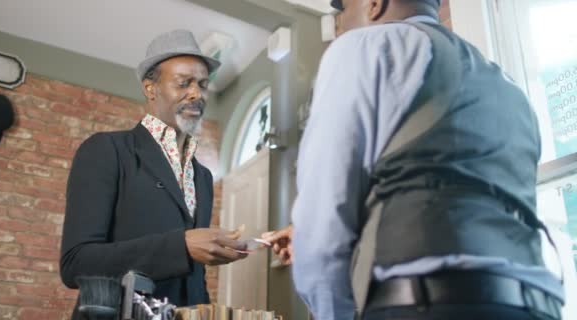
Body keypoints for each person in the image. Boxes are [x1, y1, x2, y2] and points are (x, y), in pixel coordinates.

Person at [264, 0, 565, 319]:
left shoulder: (363, 46)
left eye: (342, 11)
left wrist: (331, 313)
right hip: (535, 303)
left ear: (374, 4)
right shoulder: (512, 92)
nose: (338, 25)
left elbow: (324, 216)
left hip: (426, 303)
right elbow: (454, 186)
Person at [60, 30, 247, 319]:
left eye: (203, 84)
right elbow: (76, 263)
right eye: (184, 83)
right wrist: (182, 246)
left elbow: (195, 276)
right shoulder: (105, 150)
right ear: (151, 88)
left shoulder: (204, 178)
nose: (196, 93)